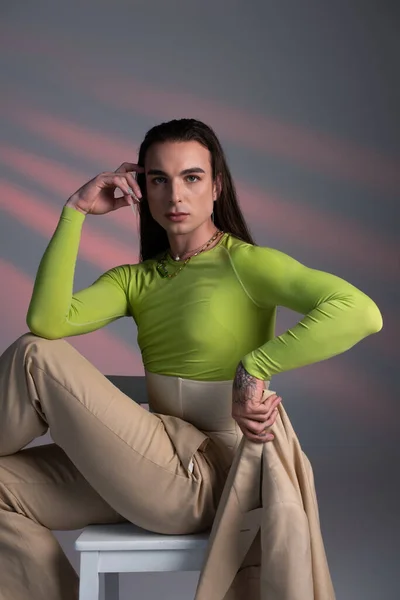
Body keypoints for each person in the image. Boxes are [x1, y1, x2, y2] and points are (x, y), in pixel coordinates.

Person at [0, 118, 382, 600]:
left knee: (36, 356)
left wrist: (254, 367)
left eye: (192, 177)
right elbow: (49, 319)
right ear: (142, 189)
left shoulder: (245, 264)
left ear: (217, 187)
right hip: (145, 467)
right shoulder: (136, 280)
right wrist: (75, 210)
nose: (175, 194)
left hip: (202, 480)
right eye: (159, 179)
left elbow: (361, 312)